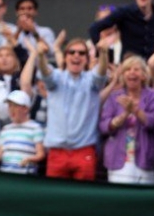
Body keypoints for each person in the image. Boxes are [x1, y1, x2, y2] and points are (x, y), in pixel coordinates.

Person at [36, 36, 109, 181]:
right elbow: (46, 74)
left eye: (82, 53)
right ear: (65, 57)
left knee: (83, 199)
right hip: (57, 152)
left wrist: (104, 54)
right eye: (72, 52)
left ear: (87, 59)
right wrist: (40, 56)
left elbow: (101, 74)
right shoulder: (57, 77)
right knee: (55, 197)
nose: (76, 55)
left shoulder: (91, 81)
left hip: (84, 150)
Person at [99, 55, 154, 184]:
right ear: (123, 75)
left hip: (144, 159)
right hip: (117, 160)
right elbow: (104, 126)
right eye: (127, 69)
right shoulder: (115, 96)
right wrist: (124, 115)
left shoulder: (153, 96)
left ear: (144, 75)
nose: (131, 72)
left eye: (136, 69)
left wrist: (135, 110)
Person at [89, 0, 154, 60]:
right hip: (128, 63)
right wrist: (103, 53)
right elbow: (94, 28)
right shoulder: (125, 12)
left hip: (150, 63)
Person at [0, 90, 46, 175]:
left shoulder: (35, 128)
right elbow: (0, 152)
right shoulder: (5, 129)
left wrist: (29, 159)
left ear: (25, 109)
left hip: (26, 176)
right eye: (9, 106)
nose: (11, 109)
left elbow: (41, 154)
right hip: (5, 175)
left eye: (15, 106)